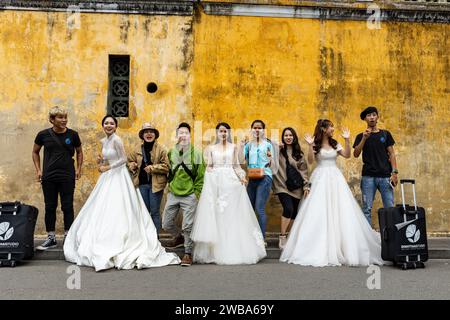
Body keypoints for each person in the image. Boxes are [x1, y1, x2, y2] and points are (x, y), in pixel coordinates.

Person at [63, 115, 180, 271]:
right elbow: (125, 160)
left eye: (112, 123)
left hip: (145, 182)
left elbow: (123, 159)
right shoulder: (110, 143)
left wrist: (109, 167)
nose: (109, 125)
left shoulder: (127, 142)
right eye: (106, 123)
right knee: (122, 210)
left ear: (116, 126)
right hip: (124, 181)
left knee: (151, 213)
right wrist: (103, 161)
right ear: (103, 126)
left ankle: (153, 239)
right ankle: (135, 238)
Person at [280, 119, 383, 267]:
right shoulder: (315, 144)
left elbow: (347, 155)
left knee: (340, 210)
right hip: (320, 176)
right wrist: (309, 146)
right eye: (330, 127)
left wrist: (347, 140)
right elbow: (310, 161)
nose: (333, 129)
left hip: (335, 178)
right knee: (319, 211)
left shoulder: (335, 144)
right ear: (323, 129)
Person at [191, 122, 266, 265]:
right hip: (216, 183)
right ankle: (215, 250)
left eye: (226, 131)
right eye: (221, 131)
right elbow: (209, 166)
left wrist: (242, 176)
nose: (223, 134)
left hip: (230, 182)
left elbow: (237, 165)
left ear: (229, 133)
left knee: (231, 214)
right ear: (217, 133)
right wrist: (210, 176)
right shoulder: (211, 148)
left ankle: (234, 246)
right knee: (218, 214)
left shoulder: (234, 147)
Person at [32, 106, 83, 250]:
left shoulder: (73, 135)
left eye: (65, 117)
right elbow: (35, 152)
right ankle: (51, 237)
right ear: (52, 120)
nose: (64, 120)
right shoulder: (43, 135)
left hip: (67, 175)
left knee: (67, 206)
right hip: (49, 176)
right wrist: (38, 170)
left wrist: (78, 169)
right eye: (60, 117)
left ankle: (68, 236)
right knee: (50, 207)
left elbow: (79, 152)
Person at [162, 122, 205, 267]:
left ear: (190, 135)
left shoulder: (197, 153)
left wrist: (196, 193)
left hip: (189, 194)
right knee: (166, 223)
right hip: (173, 193)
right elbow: (169, 170)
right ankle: (179, 237)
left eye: (186, 133)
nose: (183, 135)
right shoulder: (171, 152)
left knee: (188, 225)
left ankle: (188, 253)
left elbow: (201, 175)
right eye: (180, 133)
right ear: (176, 136)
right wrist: (169, 186)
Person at [353, 106, 398, 225]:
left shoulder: (385, 134)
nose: (372, 117)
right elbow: (356, 154)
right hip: (368, 177)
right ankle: (368, 239)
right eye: (369, 115)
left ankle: (391, 237)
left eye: (374, 114)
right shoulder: (360, 136)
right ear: (365, 119)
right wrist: (364, 138)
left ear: (377, 117)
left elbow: (392, 154)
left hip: (385, 176)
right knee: (366, 208)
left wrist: (394, 172)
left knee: (389, 208)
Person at [272, 127, 310, 249]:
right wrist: (276, 149)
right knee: (288, 208)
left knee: (294, 213)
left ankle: (290, 236)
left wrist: (306, 186)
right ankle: (282, 236)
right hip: (282, 186)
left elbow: (304, 171)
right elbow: (270, 163)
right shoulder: (278, 151)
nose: (288, 137)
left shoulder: (299, 154)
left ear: (294, 137)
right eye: (286, 135)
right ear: (283, 138)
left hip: (296, 188)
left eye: (290, 135)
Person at [127, 123, 169, 233]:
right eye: (146, 132)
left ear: (155, 134)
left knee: (155, 212)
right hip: (141, 185)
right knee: (143, 212)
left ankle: (156, 240)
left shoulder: (161, 149)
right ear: (142, 135)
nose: (149, 134)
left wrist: (153, 168)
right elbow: (129, 161)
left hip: (156, 185)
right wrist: (132, 165)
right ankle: (145, 240)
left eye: (151, 131)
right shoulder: (136, 149)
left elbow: (167, 167)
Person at [241, 120, 276, 241]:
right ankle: (249, 237)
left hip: (265, 177)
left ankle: (261, 239)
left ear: (263, 130)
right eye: (255, 128)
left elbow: (272, 163)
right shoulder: (248, 145)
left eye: (259, 128)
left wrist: (269, 158)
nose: (257, 130)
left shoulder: (267, 144)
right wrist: (241, 146)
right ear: (251, 130)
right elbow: (242, 161)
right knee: (249, 208)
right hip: (252, 177)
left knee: (259, 208)